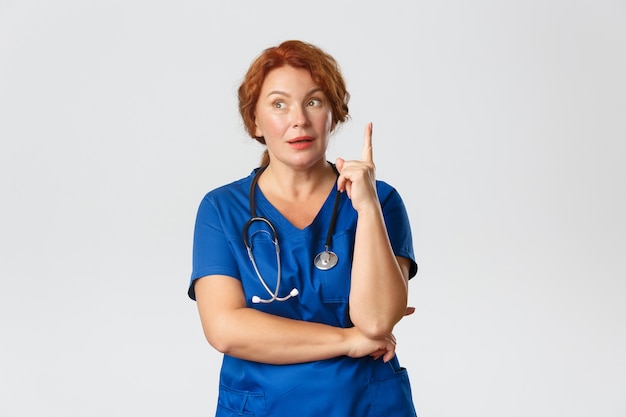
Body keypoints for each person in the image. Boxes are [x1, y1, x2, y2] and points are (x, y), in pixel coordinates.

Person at [188, 39, 419, 417]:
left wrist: (367, 207)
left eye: (313, 101)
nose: (299, 119)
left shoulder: (381, 202)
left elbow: (376, 321)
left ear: (335, 114)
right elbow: (226, 329)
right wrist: (348, 340)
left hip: (365, 404)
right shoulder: (221, 210)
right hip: (264, 406)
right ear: (255, 121)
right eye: (279, 104)